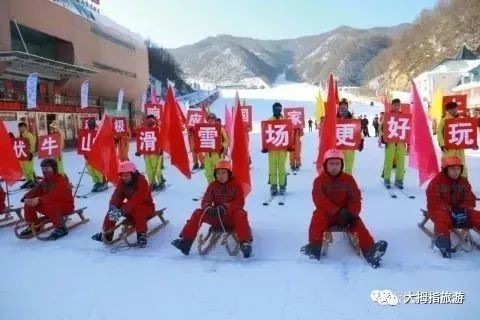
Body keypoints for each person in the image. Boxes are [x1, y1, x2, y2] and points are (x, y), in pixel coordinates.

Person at [301, 149, 388, 267]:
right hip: (327, 213)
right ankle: (314, 247)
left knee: (358, 224)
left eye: (337, 164)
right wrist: (336, 211)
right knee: (317, 218)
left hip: (346, 214)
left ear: (341, 165)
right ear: (326, 165)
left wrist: (352, 213)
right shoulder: (319, 181)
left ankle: (371, 251)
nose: (334, 167)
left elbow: (355, 198)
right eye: (331, 164)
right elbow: (319, 199)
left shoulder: (348, 179)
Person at [171, 160, 253, 258]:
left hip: (231, 218)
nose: (221, 176)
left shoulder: (236, 185)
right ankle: (186, 242)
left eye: (223, 173)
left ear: (229, 173)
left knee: (240, 213)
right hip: (217, 217)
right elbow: (205, 200)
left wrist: (226, 207)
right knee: (198, 212)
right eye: (218, 173)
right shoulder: (213, 186)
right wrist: (208, 207)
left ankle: (245, 244)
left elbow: (239, 202)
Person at [426, 156, 480, 258]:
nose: (456, 172)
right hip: (440, 211)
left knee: (476, 215)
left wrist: (462, 208)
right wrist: (451, 209)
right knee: (442, 219)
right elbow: (433, 200)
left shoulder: (463, 181)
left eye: (458, 168)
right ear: (445, 170)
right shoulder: (436, 181)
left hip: (460, 211)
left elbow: (470, 199)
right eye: (452, 169)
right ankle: (443, 242)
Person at [91, 161, 154, 247]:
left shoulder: (142, 181)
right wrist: (113, 207)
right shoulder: (122, 182)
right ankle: (107, 233)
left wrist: (125, 209)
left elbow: (138, 198)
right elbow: (117, 196)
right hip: (131, 208)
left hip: (146, 208)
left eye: (127, 175)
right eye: (122, 175)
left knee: (138, 208)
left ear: (133, 173)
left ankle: (141, 235)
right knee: (114, 209)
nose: (124, 178)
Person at [19, 159, 74, 240]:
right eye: (43, 169)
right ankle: (34, 225)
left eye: (47, 168)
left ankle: (61, 228)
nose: (45, 171)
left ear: (54, 168)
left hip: (66, 206)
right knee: (29, 204)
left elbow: (56, 195)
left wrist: (39, 199)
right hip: (49, 205)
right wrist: (26, 198)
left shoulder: (61, 180)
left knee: (50, 205)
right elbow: (35, 191)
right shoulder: (44, 181)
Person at [437, 102, 478, 178]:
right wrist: (442, 144)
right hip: (449, 149)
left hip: (460, 148)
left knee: (461, 166)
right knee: (449, 165)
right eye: (451, 109)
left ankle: (462, 184)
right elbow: (439, 132)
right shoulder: (444, 120)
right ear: (447, 110)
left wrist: (473, 143)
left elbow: (468, 132)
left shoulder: (462, 119)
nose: (454, 110)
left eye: (455, 108)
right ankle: (447, 183)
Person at [262, 102, 289, 196]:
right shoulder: (269, 121)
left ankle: (282, 186)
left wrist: (290, 146)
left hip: (282, 149)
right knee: (272, 167)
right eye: (275, 109)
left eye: (279, 109)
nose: (277, 111)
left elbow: (289, 134)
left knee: (281, 167)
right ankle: (273, 186)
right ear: (272, 109)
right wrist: (265, 147)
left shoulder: (285, 121)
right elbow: (265, 135)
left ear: (281, 109)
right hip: (272, 149)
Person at [381, 99, 407, 189]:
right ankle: (387, 179)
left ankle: (399, 180)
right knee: (388, 161)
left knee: (401, 162)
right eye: (395, 105)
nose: (396, 107)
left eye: (398, 105)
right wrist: (383, 137)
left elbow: (407, 128)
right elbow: (382, 128)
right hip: (390, 142)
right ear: (392, 106)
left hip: (400, 143)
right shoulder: (387, 116)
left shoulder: (403, 116)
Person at [135, 114, 166, 190]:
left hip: (156, 152)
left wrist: (161, 149)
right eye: (148, 120)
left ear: (154, 120)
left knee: (156, 168)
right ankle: (152, 183)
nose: (150, 122)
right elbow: (140, 140)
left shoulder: (158, 128)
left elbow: (162, 139)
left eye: (152, 120)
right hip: (146, 153)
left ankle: (161, 182)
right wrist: (139, 151)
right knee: (148, 169)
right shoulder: (143, 129)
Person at [337, 98, 364, 175]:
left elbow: (358, 131)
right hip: (338, 145)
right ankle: (338, 181)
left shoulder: (352, 118)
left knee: (349, 165)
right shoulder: (335, 118)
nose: (343, 107)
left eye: (345, 106)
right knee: (338, 164)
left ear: (347, 107)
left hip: (349, 145)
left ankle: (348, 180)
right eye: (341, 106)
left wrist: (361, 140)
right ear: (339, 107)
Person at [203, 113, 229, 183]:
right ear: (207, 120)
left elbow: (226, 140)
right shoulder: (203, 129)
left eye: (212, 119)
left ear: (215, 120)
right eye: (209, 119)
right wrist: (198, 148)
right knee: (208, 173)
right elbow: (199, 140)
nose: (210, 120)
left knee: (218, 172)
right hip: (207, 154)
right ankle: (211, 188)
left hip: (217, 154)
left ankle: (219, 187)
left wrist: (222, 147)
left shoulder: (220, 129)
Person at [85, 118, 107, 192]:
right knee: (90, 169)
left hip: (98, 154)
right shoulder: (86, 132)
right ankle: (97, 182)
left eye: (91, 124)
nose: (90, 125)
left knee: (98, 168)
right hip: (88, 154)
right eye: (89, 124)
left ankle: (103, 182)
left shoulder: (99, 131)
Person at [18, 122, 36, 189]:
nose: (20, 128)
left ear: (25, 127)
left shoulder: (29, 135)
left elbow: (32, 144)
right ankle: (28, 180)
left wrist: (31, 153)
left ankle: (32, 181)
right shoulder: (19, 135)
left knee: (29, 168)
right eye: (19, 127)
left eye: (21, 127)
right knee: (24, 169)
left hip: (28, 155)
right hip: (21, 155)